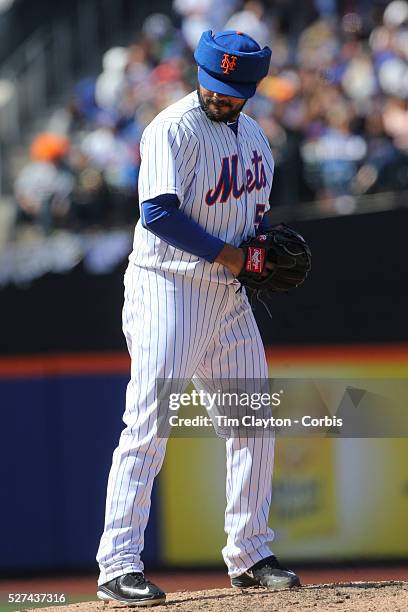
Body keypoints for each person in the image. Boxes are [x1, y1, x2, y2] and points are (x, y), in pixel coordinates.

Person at [96, 30, 300, 607]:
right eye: (214, 83)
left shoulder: (258, 139)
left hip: (226, 297)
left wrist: (258, 253)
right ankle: (117, 564)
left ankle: (250, 551)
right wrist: (237, 257)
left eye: (233, 89)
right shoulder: (171, 128)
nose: (221, 95)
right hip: (168, 289)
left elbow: (253, 222)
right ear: (201, 75)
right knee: (148, 425)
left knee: (253, 421)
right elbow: (158, 213)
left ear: (252, 89)